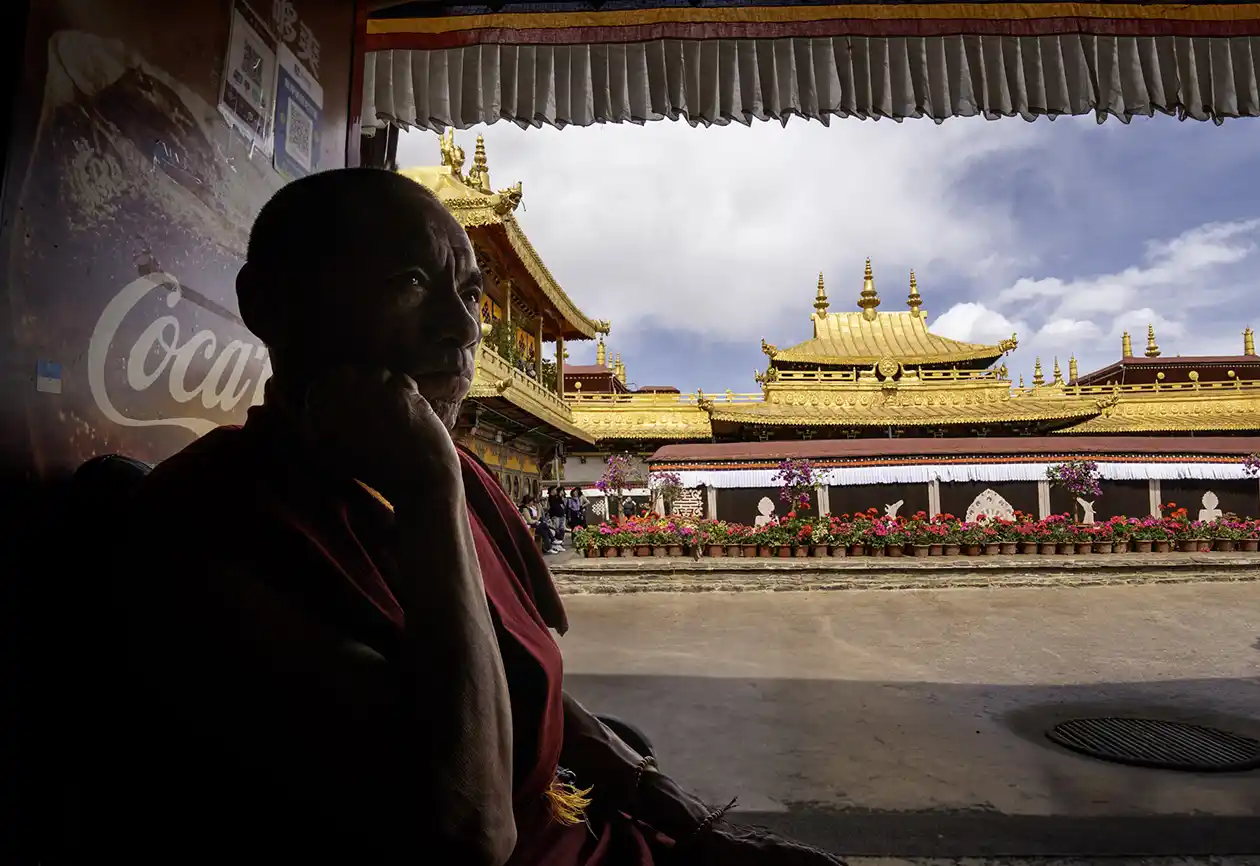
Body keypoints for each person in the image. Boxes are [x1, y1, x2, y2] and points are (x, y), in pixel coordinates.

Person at [99, 168, 844, 866]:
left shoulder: (459, 477)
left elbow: (526, 683)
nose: (461, 329)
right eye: (412, 283)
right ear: (270, 304)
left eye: (470, 294)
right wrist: (429, 495)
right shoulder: (208, 520)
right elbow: (466, 831)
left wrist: (692, 823)